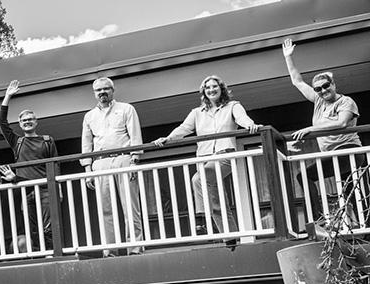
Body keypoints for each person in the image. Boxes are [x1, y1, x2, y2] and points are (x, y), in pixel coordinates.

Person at [153, 76, 260, 242]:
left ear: (221, 88)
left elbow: (242, 119)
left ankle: (201, 218)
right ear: (204, 92)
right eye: (208, 87)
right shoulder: (197, 113)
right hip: (204, 158)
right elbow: (184, 128)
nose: (211, 90)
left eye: (214, 86)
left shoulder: (233, 106)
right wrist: (167, 138)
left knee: (198, 179)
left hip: (225, 155)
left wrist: (251, 125)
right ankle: (230, 236)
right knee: (216, 199)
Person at [282, 38, 364, 225]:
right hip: (332, 154)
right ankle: (358, 225)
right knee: (349, 191)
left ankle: (318, 219)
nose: (323, 90)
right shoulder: (318, 101)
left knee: (306, 175)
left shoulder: (345, 101)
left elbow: (342, 123)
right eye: (318, 89)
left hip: (348, 151)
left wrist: (311, 129)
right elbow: (297, 81)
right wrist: (288, 57)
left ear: (333, 84)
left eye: (326, 86)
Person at [80, 77, 145, 255]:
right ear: (94, 93)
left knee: (130, 206)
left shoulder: (126, 109)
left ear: (112, 90)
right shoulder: (89, 116)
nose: (102, 92)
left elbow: (135, 136)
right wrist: (88, 170)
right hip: (100, 162)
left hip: (123, 158)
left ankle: (135, 247)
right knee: (105, 209)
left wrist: (134, 160)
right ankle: (110, 250)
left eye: (106, 89)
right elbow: (86, 145)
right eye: (98, 90)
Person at [0, 80, 59, 244]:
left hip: (45, 189)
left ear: (36, 121)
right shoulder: (17, 142)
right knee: (32, 228)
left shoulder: (47, 140)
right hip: (25, 189)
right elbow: (2, 123)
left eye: (30, 119)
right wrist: (7, 97)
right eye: (24, 120)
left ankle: (53, 256)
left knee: (49, 227)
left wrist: (57, 187)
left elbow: (55, 165)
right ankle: (40, 256)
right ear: (20, 124)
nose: (27, 122)